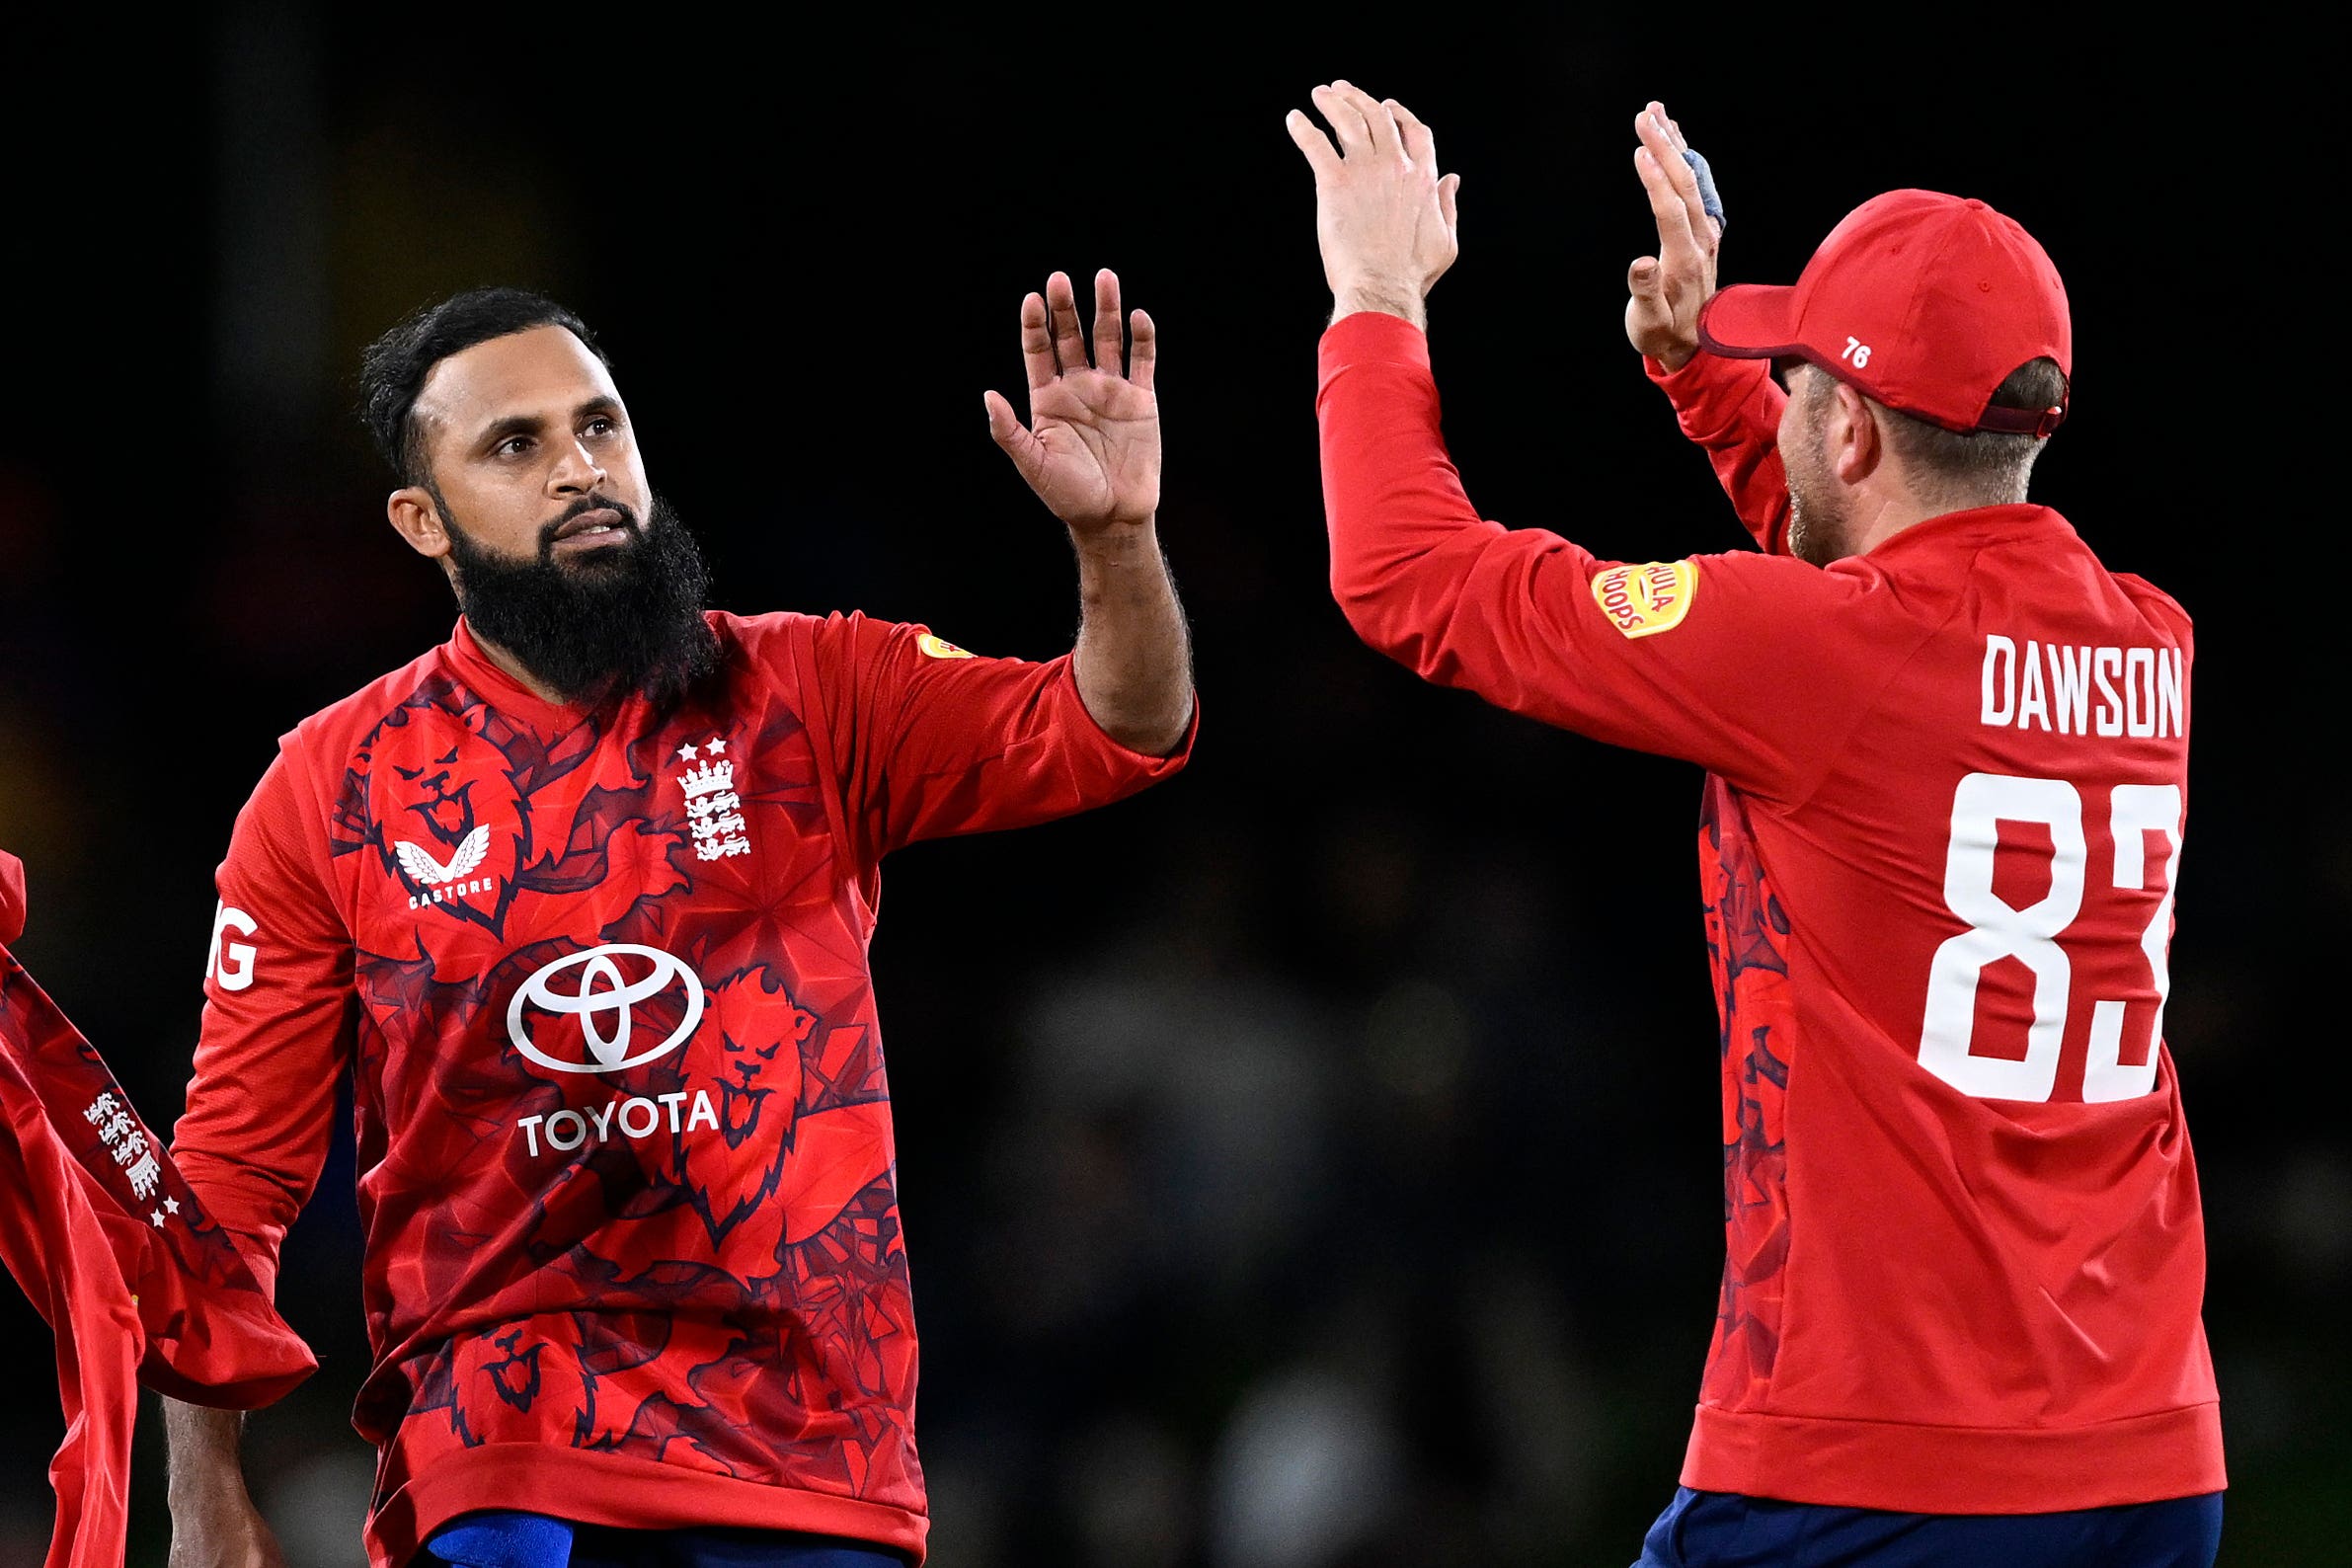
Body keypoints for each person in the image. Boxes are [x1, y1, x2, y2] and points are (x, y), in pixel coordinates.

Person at [1287, 81, 2222, 1567]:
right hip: (2144, 1463)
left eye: (1792, 379)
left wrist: (1375, 298)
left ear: (1847, 427)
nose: (1774, 394)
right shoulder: (2147, 646)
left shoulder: (1826, 656)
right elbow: (1890, 598)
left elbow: (1402, 575)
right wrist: (1700, 377)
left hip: (1876, 1467)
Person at [161, 272, 1194, 1568]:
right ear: (423, 522)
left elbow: (1118, 725)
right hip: (499, 1438)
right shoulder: (331, 787)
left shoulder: (810, 688)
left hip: (805, 1438)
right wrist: (202, 1495)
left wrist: (1115, 540)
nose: (580, 469)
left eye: (600, 426)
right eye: (516, 445)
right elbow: (230, 1178)